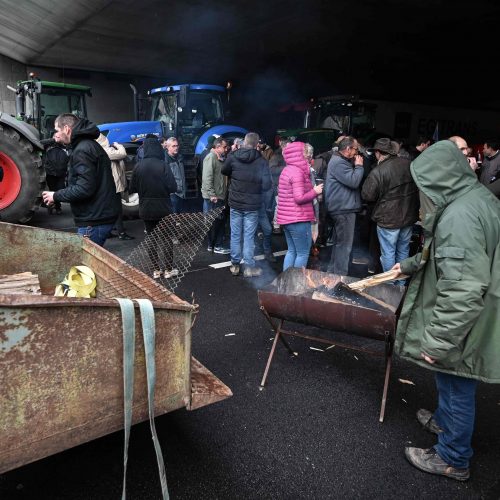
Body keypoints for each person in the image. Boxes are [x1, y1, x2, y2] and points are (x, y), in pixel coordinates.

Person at [391, 138, 500, 481]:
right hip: (480, 309)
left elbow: (464, 289)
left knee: (456, 380)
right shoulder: (474, 198)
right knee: (452, 382)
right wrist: (408, 264)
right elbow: (449, 253)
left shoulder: (459, 216)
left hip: (470, 317)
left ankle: (453, 457)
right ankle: (443, 421)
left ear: (439, 177)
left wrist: (437, 343)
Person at [42, 114, 120, 247]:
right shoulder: (87, 145)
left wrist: (56, 195)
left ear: (66, 129)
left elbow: (84, 188)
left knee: (83, 266)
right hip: (97, 217)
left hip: (94, 220)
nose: (56, 134)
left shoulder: (82, 150)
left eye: (56, 130)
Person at [361, 138, 419, 283]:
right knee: (403, 250)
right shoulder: (409, 164)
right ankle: (401, 284)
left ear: (379, 153)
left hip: (388, 219)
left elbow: (367, 195)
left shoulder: (378, 171)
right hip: (408, 216)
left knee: (388, 253)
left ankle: (390, 285)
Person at [222, 132, 272, 277]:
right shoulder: (262, 161)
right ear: (257, 145)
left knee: (235, 234)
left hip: (236, 203)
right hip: (252, 205)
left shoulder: (233, 156)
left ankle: (235, 265)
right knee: (249, 236)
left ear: (244, 142)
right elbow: (267, 185)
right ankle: (249, 267)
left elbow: (224, 170)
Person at [128, 137, 178, 279]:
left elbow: (132, 188)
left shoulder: (138, 166)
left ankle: (156, 270)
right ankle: (168, 269)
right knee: (167, 238)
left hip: (146, 208)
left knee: (151, 238)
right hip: (164, 207)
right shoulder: (163, 165)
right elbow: (173, 187)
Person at [277, 141, 323, 270]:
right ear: (302, 156)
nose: (310, 160)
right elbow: (299, 198)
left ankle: (286, 283)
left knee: (292, 251)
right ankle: (295, 286)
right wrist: (315, 191)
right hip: (298, 219)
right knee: (302, 253)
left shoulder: (287, 170)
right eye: (308, 156)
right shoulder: (298, 172)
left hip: (287, 219)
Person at [324, 136, 364, 275]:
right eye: (355, 149)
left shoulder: (339, 160)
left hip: (341, 208)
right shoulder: (339, 163)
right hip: (343, 209)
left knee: (339, 244)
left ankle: (332, 273)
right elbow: (353, 181)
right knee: (344, 246)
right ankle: (340, 277)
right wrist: (359, 166)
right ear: (347, 149)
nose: (356, 153)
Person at [96, 133, 134, 240]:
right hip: (113, 186)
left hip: (110, 185)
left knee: (110, 209)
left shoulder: (103, 151)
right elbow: (122, 154)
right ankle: (121, 233)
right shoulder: (106, 151)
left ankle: (108, 231)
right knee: (117, 210)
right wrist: (118, 145)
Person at [201, 137, 230, 254]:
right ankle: (216, 246)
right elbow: (207, 178)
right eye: (224, 147)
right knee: (215, 222)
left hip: (218, 196)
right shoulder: (210, 157)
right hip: (214, 198)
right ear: (217, 147)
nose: (226, 149)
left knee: (216, 222)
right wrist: (212, 195)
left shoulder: (218, 158)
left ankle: (213, 245)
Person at [43, 138, 69, 215]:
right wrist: (54, 139)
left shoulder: (64, 148)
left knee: (56, 190)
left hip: (59, 174)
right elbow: (40, 143)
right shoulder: (48, 147)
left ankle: (56, 207)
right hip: (52, 174)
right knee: (53, 190)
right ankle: (52, 207)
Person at [161, 136, 187, 213]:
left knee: (179, 215)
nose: (176, 147)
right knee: (173, 217)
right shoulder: (164, 160)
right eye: (173, 146)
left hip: (181, 192)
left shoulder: (180, 158)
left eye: (177, 145)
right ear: (168, 147)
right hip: (172, 193)